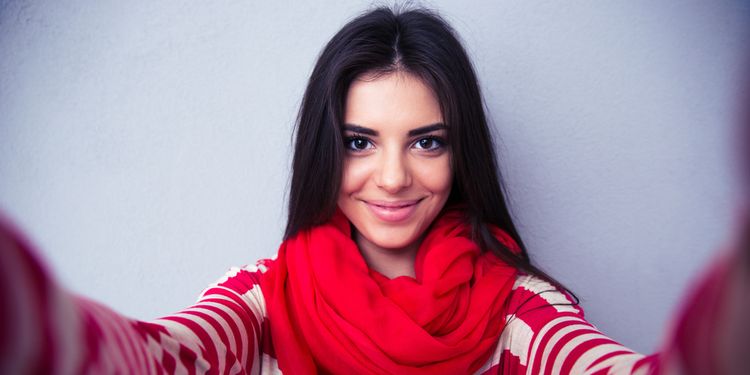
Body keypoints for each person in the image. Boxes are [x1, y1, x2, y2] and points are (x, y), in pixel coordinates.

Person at [0, 6, 748, 374]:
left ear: (462, 153)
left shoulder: (519, 310)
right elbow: (152, 357)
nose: (392, 177)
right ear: (326, 149)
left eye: (428, 140)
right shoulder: (262, 301)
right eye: (361, 142)